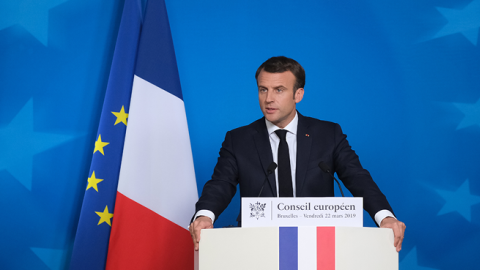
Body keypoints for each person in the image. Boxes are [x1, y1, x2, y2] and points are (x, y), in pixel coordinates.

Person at [189, 56, 405, 252]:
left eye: (279, 90)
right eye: (263, 89)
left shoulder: (328, 134)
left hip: (319, 247)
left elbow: (357, 178)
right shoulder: (239, 139)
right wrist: (204, 216)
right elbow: (221, 183)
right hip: (257, 246)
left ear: (298, 94)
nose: (268, 99)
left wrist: (385, 217)